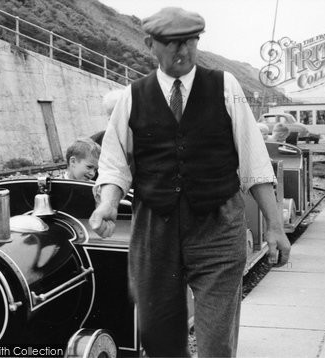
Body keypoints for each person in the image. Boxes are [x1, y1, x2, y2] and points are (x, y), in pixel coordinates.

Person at [88, 7, 290, 358]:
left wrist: (275, 225)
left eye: (189, 42)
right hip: (155, 230)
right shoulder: (132, 96)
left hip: (218, 224)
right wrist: (107, 202)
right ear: (151, 44)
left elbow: (254, 160)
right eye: (171, 43)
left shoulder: (226, 86)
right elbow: (114, 164)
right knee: (159, 339)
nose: (182, 51)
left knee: (216, 343)